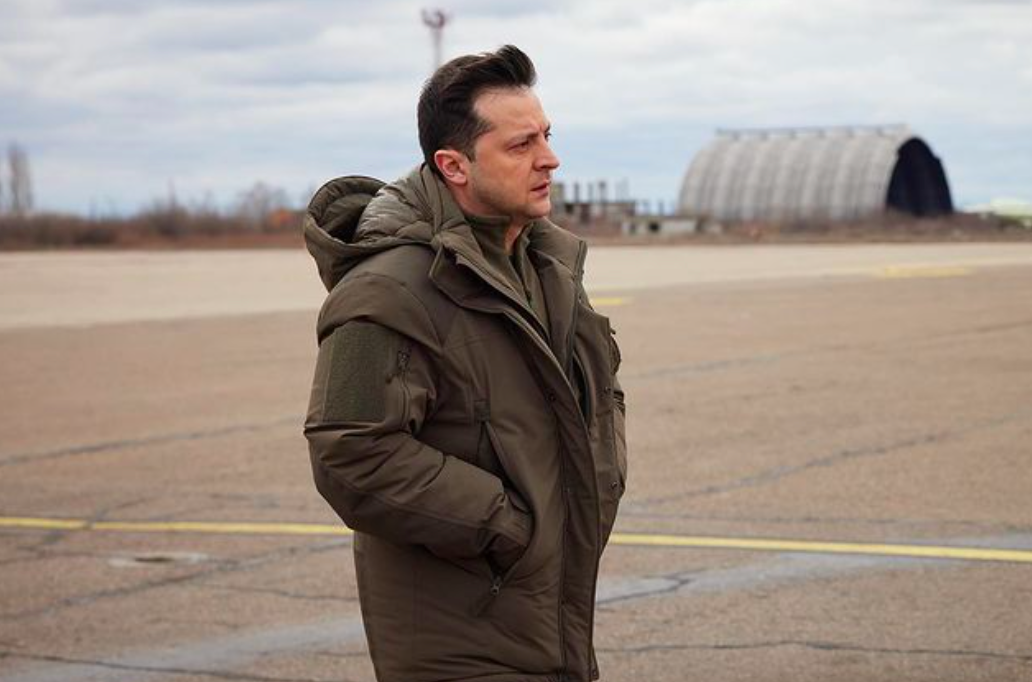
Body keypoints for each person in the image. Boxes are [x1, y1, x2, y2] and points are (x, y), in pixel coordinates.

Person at [302, 44, 627, 682]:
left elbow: (598, 396)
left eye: (547, 136)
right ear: (453, 165)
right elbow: (350, 452)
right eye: (521, 145)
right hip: (461, 640)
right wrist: (510, 527)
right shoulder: (387, 291)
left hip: (548, 618)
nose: (549, 159)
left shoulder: (545, 268)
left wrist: (602, 476)